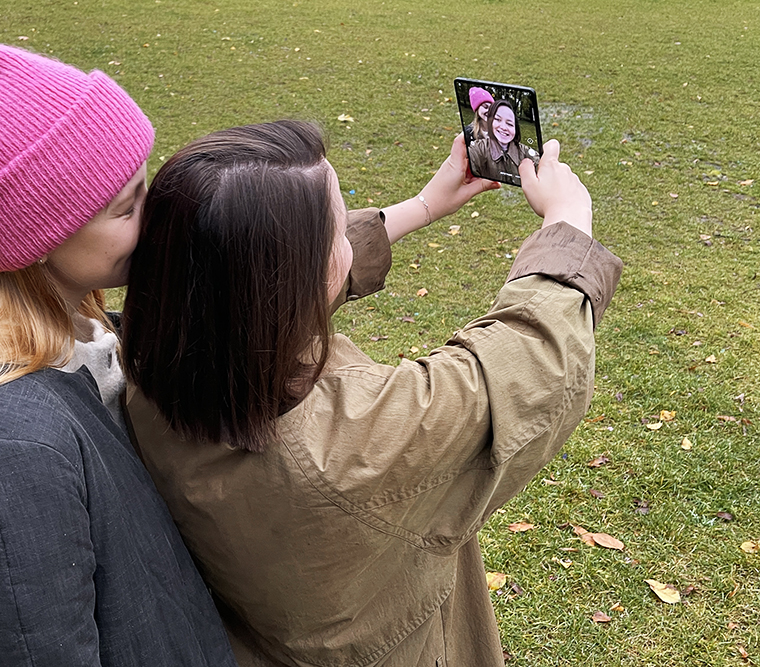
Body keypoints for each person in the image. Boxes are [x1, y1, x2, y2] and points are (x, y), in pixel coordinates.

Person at [122, 120, 622, 666]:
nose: (346, 239)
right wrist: (568, 225)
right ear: (291, 276)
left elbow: (245, 282)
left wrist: (425, 206)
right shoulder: (349, 447)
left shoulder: (152, 362)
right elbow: (518, 367)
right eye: (337, 231)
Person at [0, 38, 236, 666]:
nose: (154, 220)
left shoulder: (79, 326)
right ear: (40, 236)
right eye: (128, 208)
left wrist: (414, 211)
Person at [468, 99, 539, 183]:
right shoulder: (477, 149)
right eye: (498, 119)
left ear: (515, 129)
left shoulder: (527, 153)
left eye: (509, 124)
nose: (504, 127)